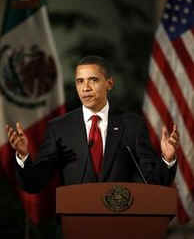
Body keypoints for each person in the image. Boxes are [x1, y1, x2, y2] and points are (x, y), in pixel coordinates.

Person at [6, 55, 179, 193]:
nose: (85, 88)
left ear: (109, 84)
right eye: (80, 81)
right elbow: (34, 183)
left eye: (93, 80)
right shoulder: (60, 128)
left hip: (121, 225)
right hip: (76, 224)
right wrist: (23, 156)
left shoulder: (132, 125)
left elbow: (153, 182)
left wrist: (168, 159)